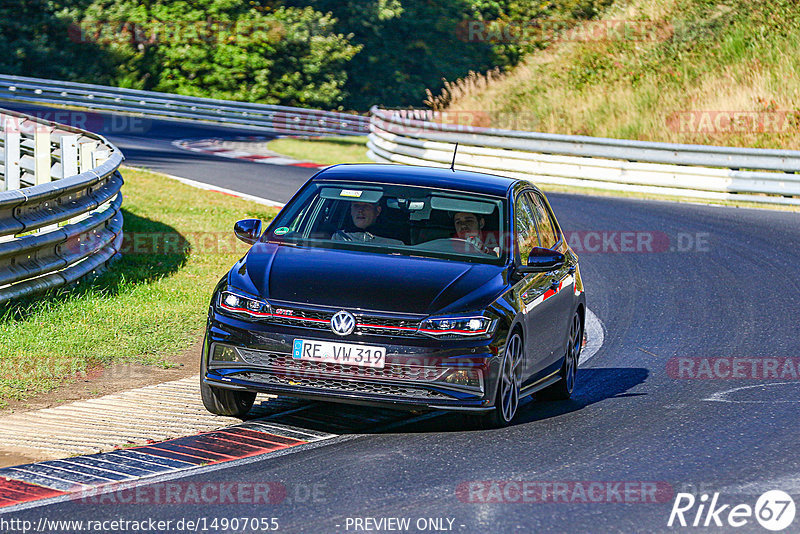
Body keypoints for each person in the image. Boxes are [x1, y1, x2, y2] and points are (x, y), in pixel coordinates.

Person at [332, 201, 403, 244]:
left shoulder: (395, 243)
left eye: (366, 206)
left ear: (378, 211)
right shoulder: (337, 237)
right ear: (351, 210)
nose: (360, 210)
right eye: (356, 205)